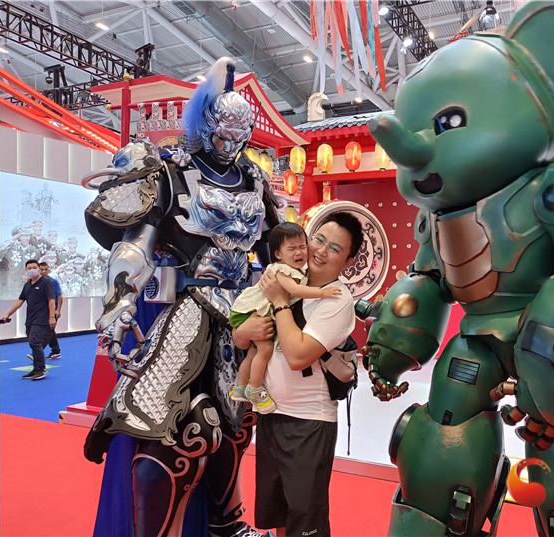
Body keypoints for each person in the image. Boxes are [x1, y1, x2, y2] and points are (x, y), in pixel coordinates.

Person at [83, 56, 279, 537]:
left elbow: (276, 248)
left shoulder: (255, 180)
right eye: (222, 136)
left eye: (239, 137)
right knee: (162, 423)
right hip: (186, 309)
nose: (231, 146)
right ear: (205, 127)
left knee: (235, 423)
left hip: (243, 312)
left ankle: (227, 523)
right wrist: (120, 299)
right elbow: (135, 244)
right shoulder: (170, 173)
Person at [233, 212, 363, 537]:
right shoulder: (289, 276)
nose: (320, 251)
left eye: (335, 248)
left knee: (304, 521)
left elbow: (297, 355)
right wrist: (245, 330)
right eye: (319, 240)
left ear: (348, 261)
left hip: (309, 422)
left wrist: (279, 302)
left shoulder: (337, 300)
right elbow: (242, 336)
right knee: (278, 512)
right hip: (271, 415)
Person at [229, 222, 342, 413]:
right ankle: (254, 389)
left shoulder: (293, 271)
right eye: (292, 249)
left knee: (254, 353)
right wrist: (323, 292)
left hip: (248, 310)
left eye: (302, 246)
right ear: (278, 254)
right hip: (251, 311)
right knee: (264, 349)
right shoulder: (282, 270)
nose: (299, 252)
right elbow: (295, 290)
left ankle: (240, 388)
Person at [0, 259, 56, 380]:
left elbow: (51, 300)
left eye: (34, 267)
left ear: (39, 269)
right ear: (26, 270)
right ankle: (36, 368)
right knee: (33, 344)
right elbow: (20, 301)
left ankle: (41, 369)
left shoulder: (46, 283)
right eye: (29, 268)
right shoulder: (27, 285)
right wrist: (7, 314)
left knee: (35, 342)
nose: (32, 270)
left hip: (42, 318)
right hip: (30, 319)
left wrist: (52, 317)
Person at [38, 261, 62, 359]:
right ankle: (56, 351)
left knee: (47, 331)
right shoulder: (34, 282)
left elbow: (59, 296)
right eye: (41, 269)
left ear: (49, 270)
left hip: (53, 311)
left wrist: (58, 310)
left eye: (45, 269)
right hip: (41, 311)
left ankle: (37, 352)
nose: (43, 271)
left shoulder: (53, 282)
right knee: (50, 331)